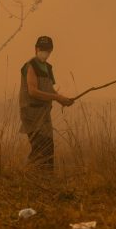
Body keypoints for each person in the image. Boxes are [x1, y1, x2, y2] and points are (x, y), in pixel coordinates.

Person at [19, 35, 73, 172]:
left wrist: (63, 100)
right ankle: (25, 176)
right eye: (41, 49)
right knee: (39, 148)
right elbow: (33, 91)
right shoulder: (30, 66)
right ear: (36, 49)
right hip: (31, 114)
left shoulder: (48, 68)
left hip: (44, 115)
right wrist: (56, 97)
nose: (44, 52)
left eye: (47, 50)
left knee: (48, 149)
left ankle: (45, 181)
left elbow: (50, 89)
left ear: (51, 50)